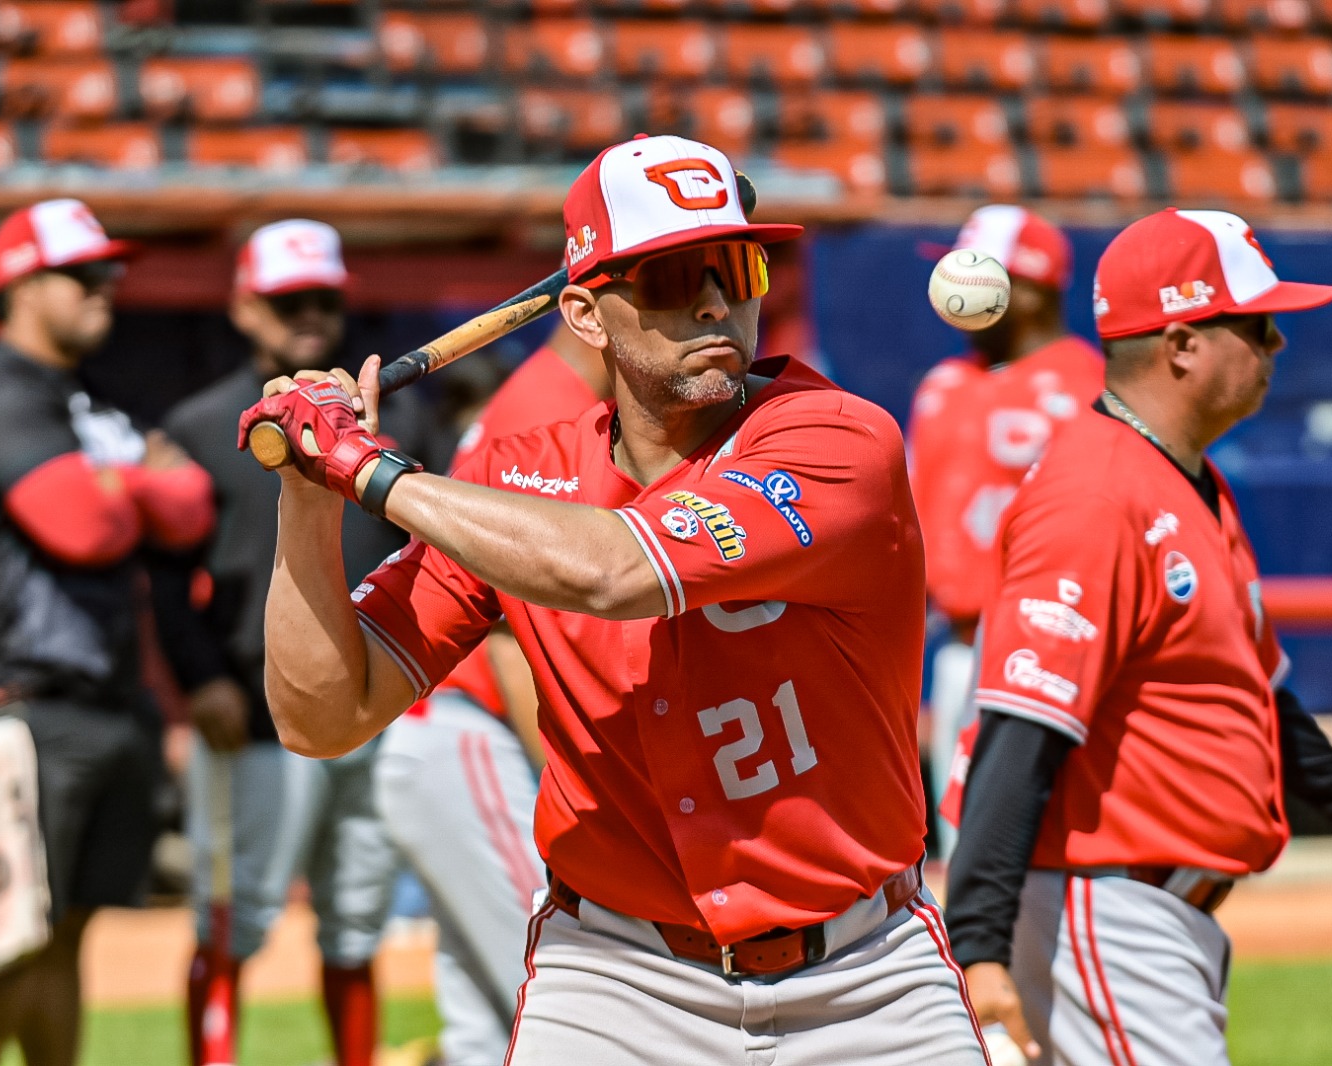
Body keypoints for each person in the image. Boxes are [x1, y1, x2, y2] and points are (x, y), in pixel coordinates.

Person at [242, 134, 991, 1066]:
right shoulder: (520, 474)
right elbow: (321, 714)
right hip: (613, 977)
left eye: (737, 264)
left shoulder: (836, 438)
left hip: (863, 975)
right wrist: (308, 498)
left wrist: (363, 467)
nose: (718, 299)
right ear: (587, 317)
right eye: (675, 277)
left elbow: (617, 572)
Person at [944, 207, 1332, 1066]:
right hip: (1100, 909)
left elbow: (1258, 699)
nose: (1277, 345)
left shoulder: (1187, 480)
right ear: (1183, 343)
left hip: (1147, 915)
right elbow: (1021, 730)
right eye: (1259, 326)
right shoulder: (1096, 495)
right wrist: (979, 947)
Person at [0, 198, 214, 1066]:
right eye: (84, 275)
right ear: (20, 285)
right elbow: (80, 526)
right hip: (19, 701)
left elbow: (192, 507)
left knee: (65, 934)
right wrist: (137, 487)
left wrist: (114, 487)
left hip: (106, 701)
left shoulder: (81, 402)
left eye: (109, 274)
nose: (106, 289)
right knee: (2, 941)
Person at [152, 220, 422, 1066]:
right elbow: (164, 578)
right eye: (287, 299)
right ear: (243, 306)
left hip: (388, 704)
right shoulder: (199, 427)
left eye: (322, 298)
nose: (308, 313)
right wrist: (198, 679)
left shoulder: (394, 415)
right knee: (236, 915)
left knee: (355, 918)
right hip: (257, 709)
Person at [372, 316, 609, 1066]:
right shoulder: (548, 409)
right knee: (569, 1000)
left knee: (486, 1028)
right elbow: (514, 630)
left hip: (447, 740)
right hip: (468, 731)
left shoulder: (543, 395)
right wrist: (577, 782)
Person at [904, 206, 1102, 848]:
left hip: (1059, 645)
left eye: (977, 269)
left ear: (1034, 285)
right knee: (967, 852)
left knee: (1057, 849)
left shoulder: (1093, 386)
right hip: (960, 645)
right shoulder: (943, 382)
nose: (952, 285)